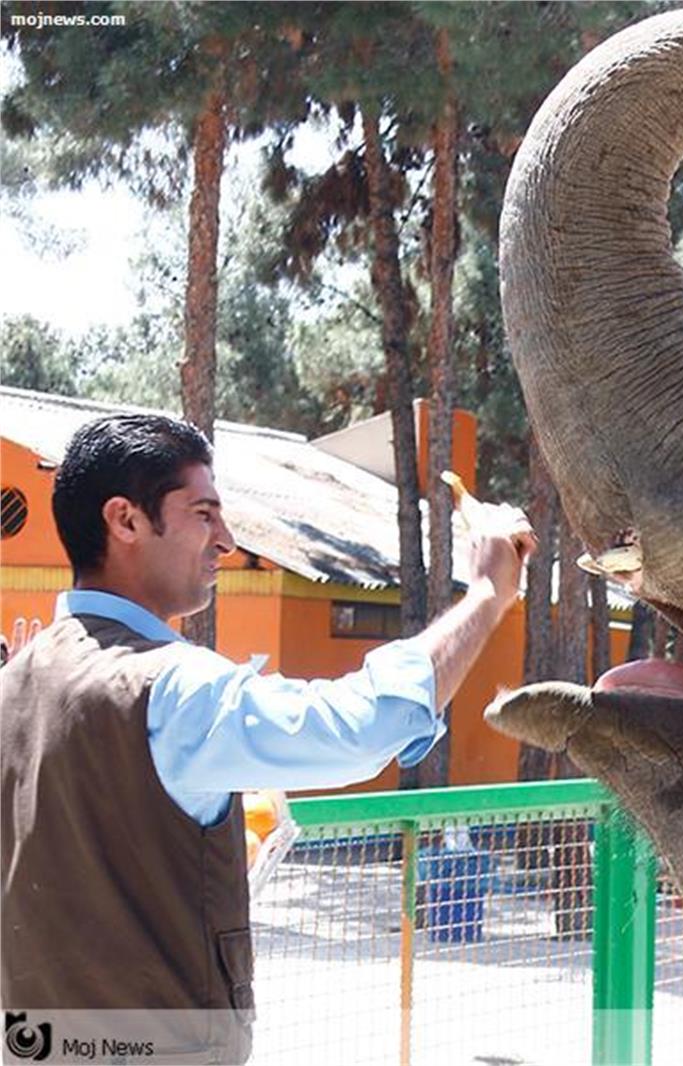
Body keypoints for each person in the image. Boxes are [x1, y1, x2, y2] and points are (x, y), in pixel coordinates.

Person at [0, 413, 534, 1063]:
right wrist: (486, 593)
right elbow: (362, 726)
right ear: (126, 521)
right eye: (203, 513)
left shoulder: (16, 683)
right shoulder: (174, 689)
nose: (225, 539)